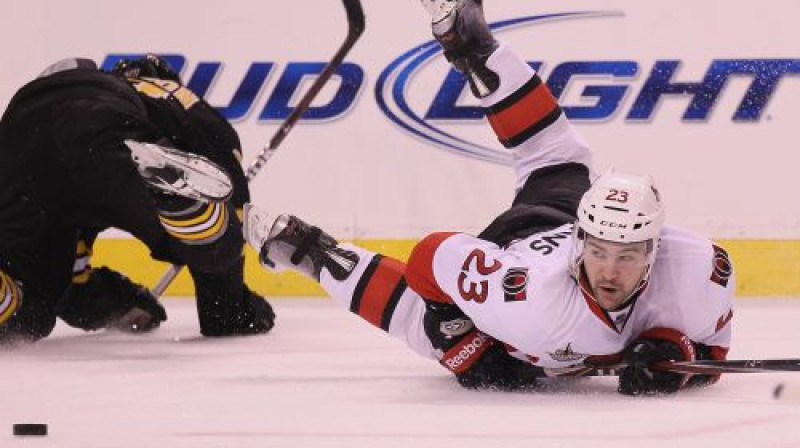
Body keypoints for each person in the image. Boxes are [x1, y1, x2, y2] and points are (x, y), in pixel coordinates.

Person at [243, 0, 735, 395]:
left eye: (627, 256)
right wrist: (459, 336)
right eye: (601, 252)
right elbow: (431, 256)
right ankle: (308, 250)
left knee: (557, 159)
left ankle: (473, 45)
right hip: (521, 243)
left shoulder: (696, 271)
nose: (609, 270)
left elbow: (713, 353)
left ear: (654, 250)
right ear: (584, 242)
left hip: (562, 213)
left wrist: (676, 359)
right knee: (423, 325)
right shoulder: (527, 300)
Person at [0, 54, 275, 343]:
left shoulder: (62, 91)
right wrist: (232, 312)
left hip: (18, 142)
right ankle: (176, 200)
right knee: (218, 239)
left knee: (29, 313)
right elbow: (230, 205)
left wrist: (126, 304)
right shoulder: (172, 94)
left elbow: (74, 291)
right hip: (104, 132)